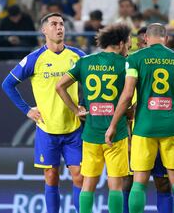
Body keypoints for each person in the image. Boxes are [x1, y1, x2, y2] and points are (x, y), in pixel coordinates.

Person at [1, 13, 85, 213]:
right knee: (51, 176)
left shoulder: (78, 56)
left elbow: (91, 83)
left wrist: (83, 104)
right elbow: (8, 84)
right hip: (47, 129)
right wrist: (27, 110)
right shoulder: (34, 58)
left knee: (79, 176)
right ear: (44, 30)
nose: (59, 28)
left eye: (62, 24)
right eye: (54, 24)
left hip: (73, 127)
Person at [105, 23, 174, 213]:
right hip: (172, 127)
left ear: (145, 39)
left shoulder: (135, 58)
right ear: (166, 39)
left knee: (139, 182)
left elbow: (126, 96)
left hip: (144, 127)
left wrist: (113, 125)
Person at [56, 23, 132, 213]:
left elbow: (59, 86)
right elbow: (130, 97)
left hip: (91, 132)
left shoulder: (85, 62)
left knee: (88, 183)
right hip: (117, 133)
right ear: (121, 43)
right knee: (116, 185)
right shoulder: (126, 64)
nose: (129, 49)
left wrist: (76, 110)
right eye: (129, 45)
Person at [122, 26, 174, 213]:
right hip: (136, 132)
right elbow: (125, 100)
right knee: (128, 181)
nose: (139, 46)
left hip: (148, 130)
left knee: (162, 182)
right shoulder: (131, 65)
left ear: (147, 39)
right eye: (136, 44)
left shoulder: (139, 61)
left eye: (141, 43)